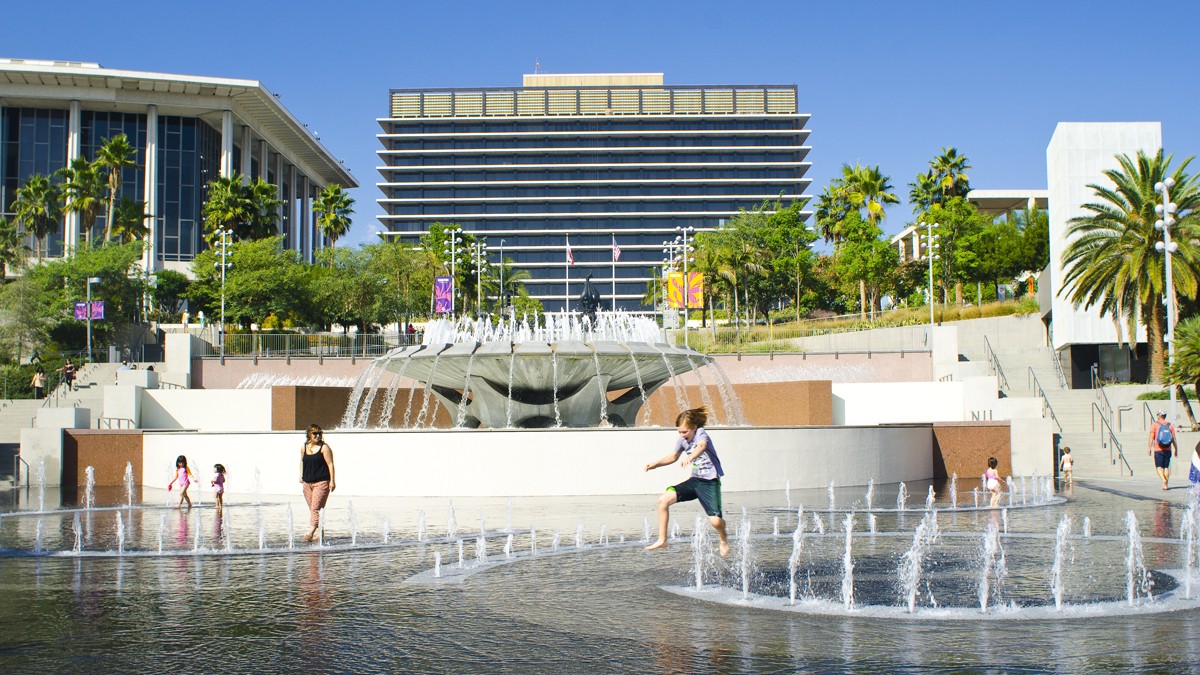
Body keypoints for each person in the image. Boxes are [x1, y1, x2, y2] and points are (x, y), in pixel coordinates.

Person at [643, 407, 730, 557]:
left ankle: (723, 539)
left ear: (694, 428)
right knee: (663, 500)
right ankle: (662, 540)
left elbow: (702, 446)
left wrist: (690, 457)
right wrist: (655, 464)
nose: (682, 436)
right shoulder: (682, 440)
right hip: (694, 481)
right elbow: (673, 456)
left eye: (685, 432)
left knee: (716, 522)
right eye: (679, 432)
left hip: (709, 482)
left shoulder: (701, 434)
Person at [300, 424, 336, 542]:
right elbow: (301, 461)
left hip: (321, 482)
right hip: (307, 483)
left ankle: (311, 531)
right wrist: (301, 476)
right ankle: (321, 534)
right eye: (315, 433)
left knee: (315, 508)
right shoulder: (304, 447)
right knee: (313, 509)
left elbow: (330, 464)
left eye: (320, 433)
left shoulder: (324, 448)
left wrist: (332, 481)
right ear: (309, 435)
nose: (318, 436)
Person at [1149, 411, 1178, 491]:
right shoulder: (1170, 425)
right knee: (1166, 467)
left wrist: (1149, 448)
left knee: (1159, 467)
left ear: (1159, 416)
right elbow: (1173, 439)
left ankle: (1163, 480)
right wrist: (1176, 449)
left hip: (1158, 449)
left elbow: (1151, 437)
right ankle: (1166, 485)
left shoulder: (1155, 425)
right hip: (1168, 449)